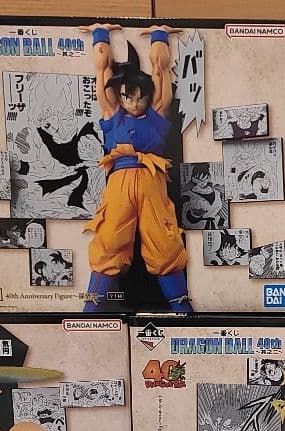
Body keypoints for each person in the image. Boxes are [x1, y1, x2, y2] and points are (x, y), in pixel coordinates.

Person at [80, 23, 193, 312]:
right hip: (120, 181)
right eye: (128, 97)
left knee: (164, 242)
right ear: (120, 97)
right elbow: (102, 72)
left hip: (151, 180)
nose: (134, 103)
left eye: (140, 97)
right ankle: (90, 311)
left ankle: (183, 311)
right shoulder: (113, 115)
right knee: (109, 241)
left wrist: (159, 36)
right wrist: (100, 35)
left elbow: (160, 72)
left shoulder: (156, 115)